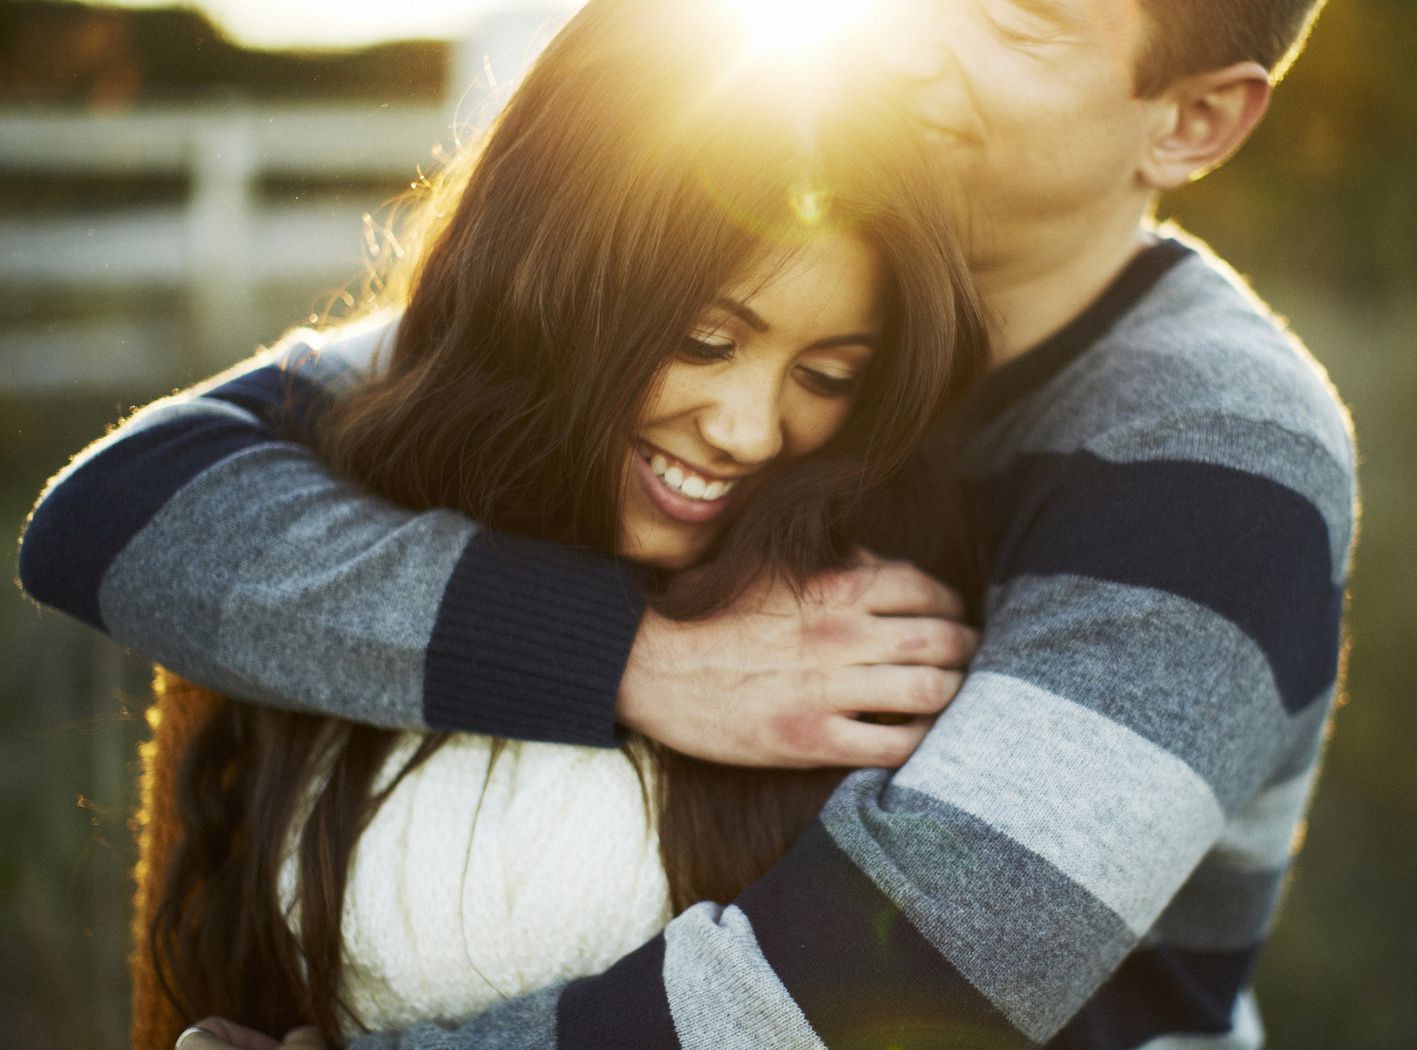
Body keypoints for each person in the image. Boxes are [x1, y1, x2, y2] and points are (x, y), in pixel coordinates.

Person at [17, 0, 1358, 1045]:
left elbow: (933, 972)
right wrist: (632, 656)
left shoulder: (1216, 452)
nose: (903, 45)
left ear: (1193, 120)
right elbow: (125, 511)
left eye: (1013, 20)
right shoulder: (794, 260)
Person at [72, 2, 989, 1046]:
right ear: (558, 274)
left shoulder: (871, 622)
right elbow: (93, 515)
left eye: (828, 374)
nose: (747, 429)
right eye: (700, 338)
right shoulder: (330, 508)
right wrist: (632, 660)